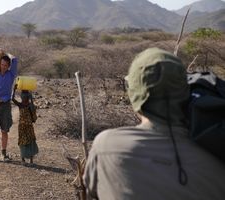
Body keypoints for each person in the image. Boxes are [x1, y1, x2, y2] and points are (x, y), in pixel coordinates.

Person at [83, 47, 225, 199]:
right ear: (187, 93)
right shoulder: (217, 158)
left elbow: (92, 191)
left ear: (135, 96)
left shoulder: (106, 146)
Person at [12, 85, 38, 165]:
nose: (23, 98)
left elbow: (12, 99)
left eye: (24, 97)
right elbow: (12, 99)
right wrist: (14, 90)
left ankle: (26, 160)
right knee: (28, 141)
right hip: (27, 127)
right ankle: (27, 160)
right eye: (23, 97)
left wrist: (14, 90)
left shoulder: (22, 105)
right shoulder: (28, 105)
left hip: (24, 127)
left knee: (25, 141)